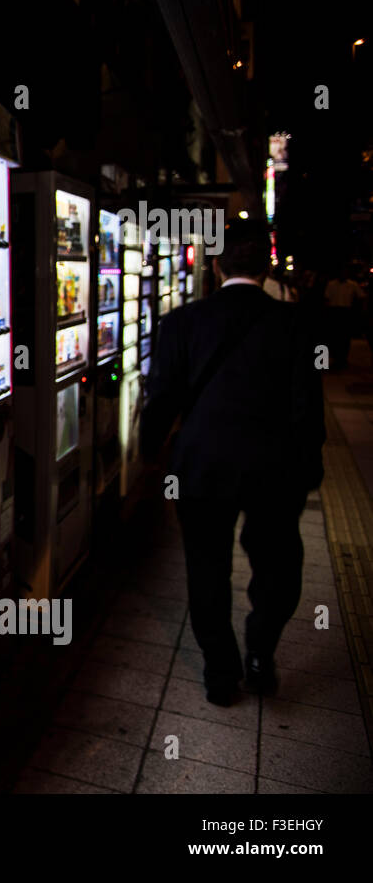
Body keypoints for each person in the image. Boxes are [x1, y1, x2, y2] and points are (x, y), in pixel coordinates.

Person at [140, 221, 325, 706]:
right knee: (279, 566)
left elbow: (162, 399)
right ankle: (261, 653)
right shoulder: (297, 325)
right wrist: (310, 469)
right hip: (275, 469)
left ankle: (220, 671)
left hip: (201, 465)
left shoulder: (181, 322)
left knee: (207, 568)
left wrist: (148, 454)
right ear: (265, 268)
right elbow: (309, 406)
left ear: (215, 264)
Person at [323, 267, 365, 368]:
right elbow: (326, 298)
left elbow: (361, 296)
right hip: (335, 311)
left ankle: (343, 358)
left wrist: (357, 310)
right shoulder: (331, 284)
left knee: (345, 336)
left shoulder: (352, 285)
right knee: (335, 336)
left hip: (346, 312)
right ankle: (336, 357)